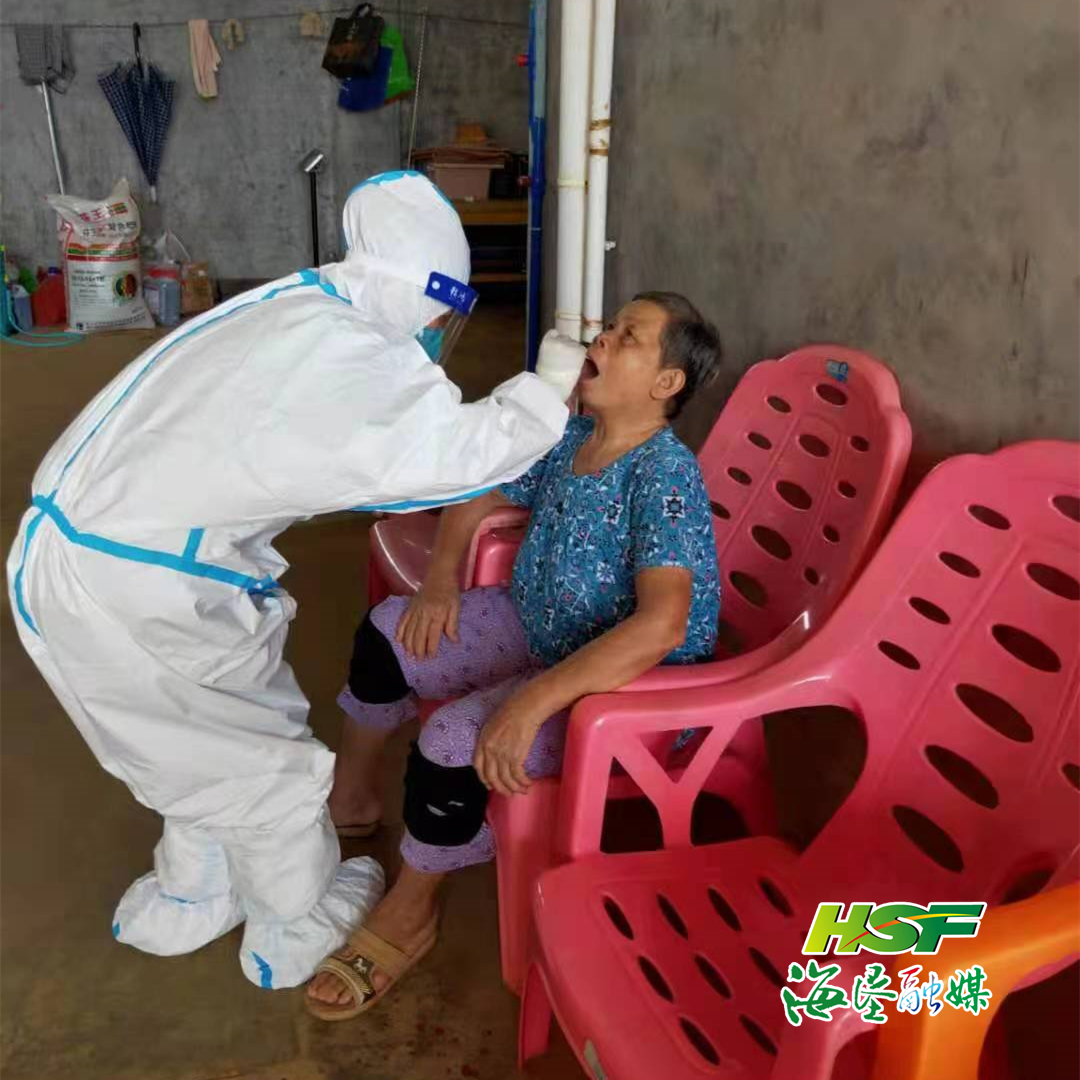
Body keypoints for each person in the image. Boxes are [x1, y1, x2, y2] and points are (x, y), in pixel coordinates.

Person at [5, 171, 570, 990]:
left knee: (178, 741)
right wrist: (545, 396)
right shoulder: (348, 353)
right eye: (441, 314)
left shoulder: (298, 305)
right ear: (426, 295)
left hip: (72, 550)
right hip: (142, 583)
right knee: (253, 750)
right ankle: (294, 917)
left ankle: (194, 889)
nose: (437, 333)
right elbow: (442, 459)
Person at [306, 292, 723, 1020]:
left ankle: (411, 910)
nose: (602, 338)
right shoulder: (571, 436)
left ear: (666, 383)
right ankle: (353, 801)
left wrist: (531, 703)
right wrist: (441, 581)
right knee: (388, 633)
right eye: (610, 326)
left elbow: (661, 625)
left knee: (450, 741)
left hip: (627, 686)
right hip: (538, 625)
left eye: (628, 336)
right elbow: (481, 489)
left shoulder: (665, 474)